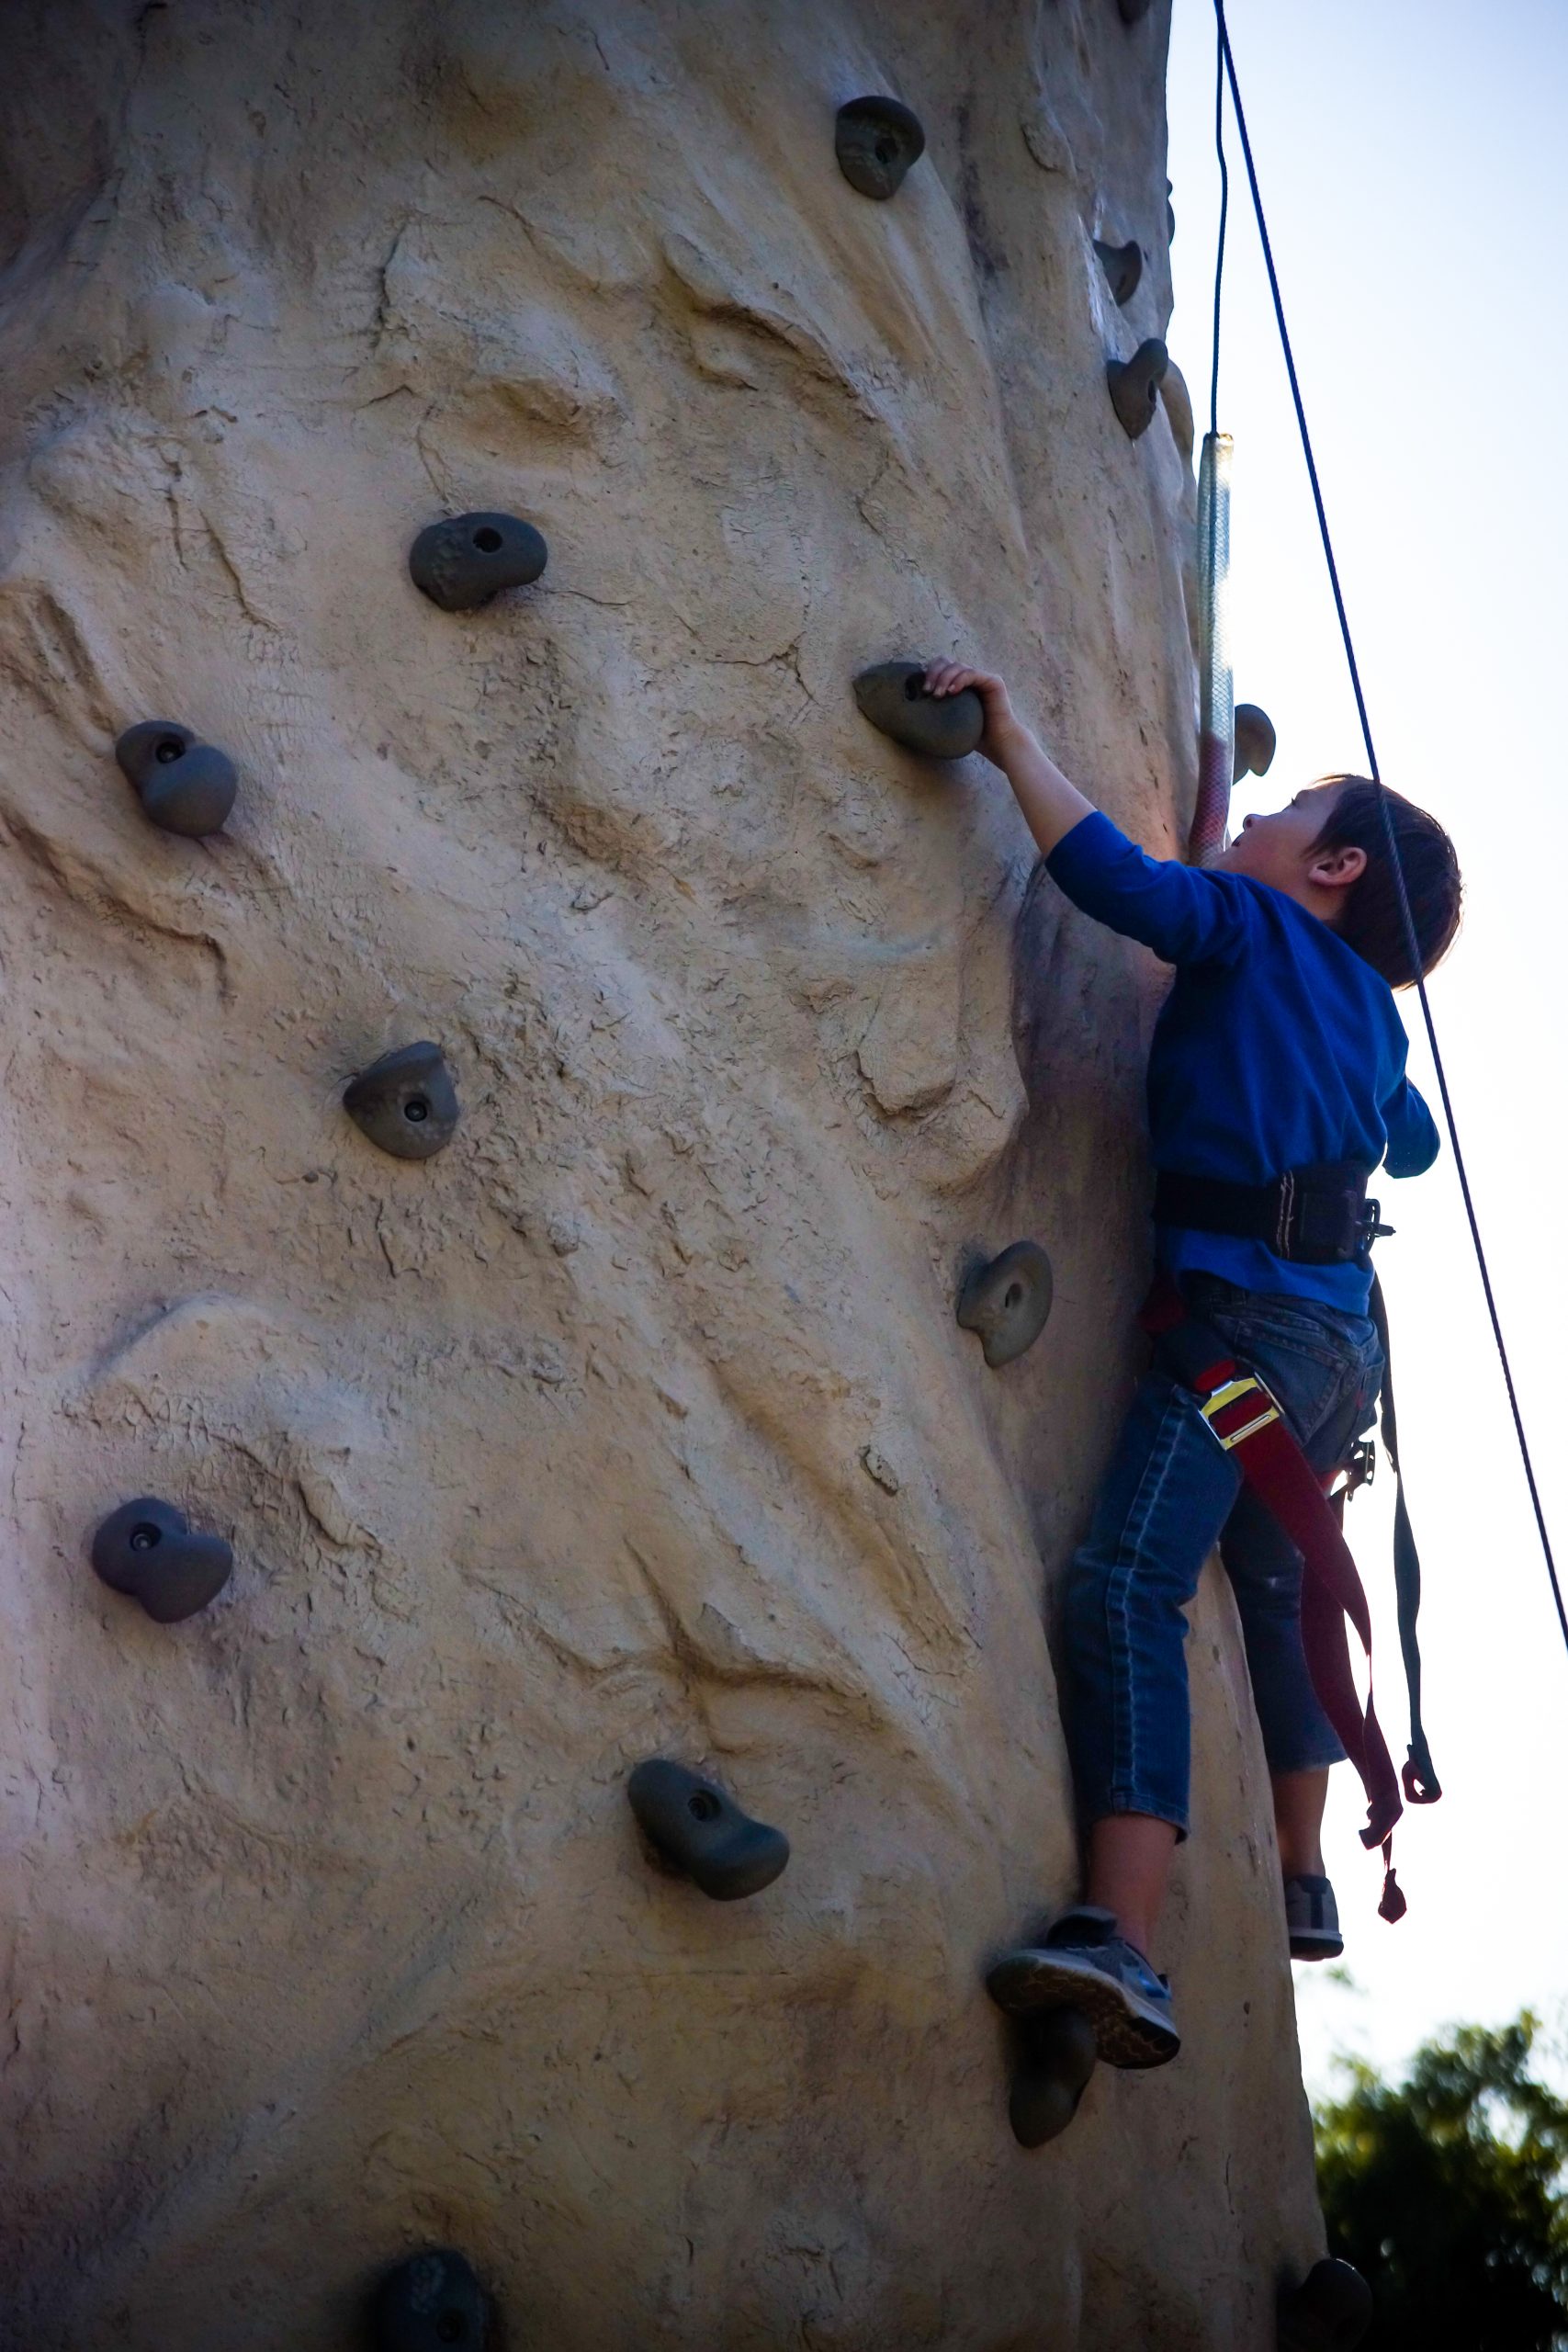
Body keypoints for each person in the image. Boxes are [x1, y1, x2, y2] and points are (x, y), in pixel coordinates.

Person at [920, 661, 1463, 2071]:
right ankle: (1303, 1867)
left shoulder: (1249, 928)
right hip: (1334, 1353)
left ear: (1334, 868)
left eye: (1284, 815)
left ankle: (1124, 1937)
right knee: (1276, 1583)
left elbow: (1121, 883)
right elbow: (1411, 1145)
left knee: (1127, 1581)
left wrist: (1011, 735)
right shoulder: (1370, 1011)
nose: (1252, 823)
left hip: (1242, 1333)